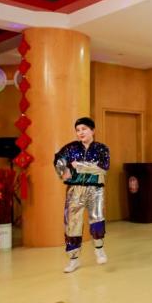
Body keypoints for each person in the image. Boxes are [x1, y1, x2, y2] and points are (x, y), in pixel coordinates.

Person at [53, 117, 109, 273]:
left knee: (97, 218)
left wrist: (78, 165)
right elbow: (58, 159)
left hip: (95, 189)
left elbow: (103, 167)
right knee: (72, 223)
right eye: (78, 130)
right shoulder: (71, 148)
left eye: (84, 129)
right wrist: (64, 170)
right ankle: (74, 259)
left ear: (93, 130)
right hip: (75, 190)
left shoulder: (102, 149)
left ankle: (99, 249)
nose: (80, 132)